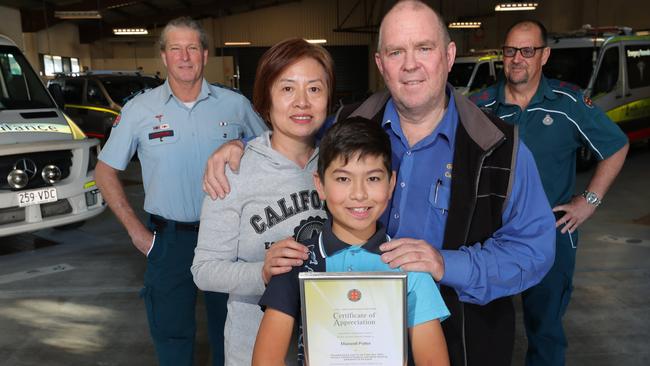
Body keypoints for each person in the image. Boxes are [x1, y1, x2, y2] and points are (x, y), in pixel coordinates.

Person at [203, 1, 556, 365]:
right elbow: (295, 128)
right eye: (396, 51)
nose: (410, 64)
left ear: (449, 55)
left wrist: (445, 264)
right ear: (380, 63)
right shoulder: (347, 124)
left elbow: (534, 251)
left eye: (424, 48)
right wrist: (241, 147)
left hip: (464, 344)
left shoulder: (499, 147)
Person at [95, 17, 267, 366]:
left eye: (192, 48)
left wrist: (242, 142)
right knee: (172, 334)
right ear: (164, 56)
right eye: (176, 48)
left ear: (205, 55)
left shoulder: (234, 105)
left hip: (229, 241)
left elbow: (270, 151)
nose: (185, 57)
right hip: (169, 240)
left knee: (234, 332)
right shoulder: (139, 110)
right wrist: (137, 233)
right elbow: (104, 171)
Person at [471, 20, 629, 366]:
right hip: (491, 239)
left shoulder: (567, 104)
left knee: (546, 332)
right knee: (484, 329)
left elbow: (616, 146)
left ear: (544, 55)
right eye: (510, 50)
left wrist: (589, 202)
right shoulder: (479, 108)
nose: (517, 59)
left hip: (551, 235)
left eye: (527, 51)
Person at [252, 117, 451, 366]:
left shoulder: (408, 266)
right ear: (320, 185)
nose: (359, 194)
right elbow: (266, 359)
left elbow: (433, 361)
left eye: (373, 179)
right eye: (343, 179)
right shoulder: (296, 261)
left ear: (391, 184)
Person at [191, 38, 333, 365]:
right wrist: (262, 272)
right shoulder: (234, 170)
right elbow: (204, 270)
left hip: (328, 346)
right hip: (252, 349)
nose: (302, 102)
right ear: (266, 98)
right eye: (287, 89)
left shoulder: (340, 165)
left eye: (314, 89)